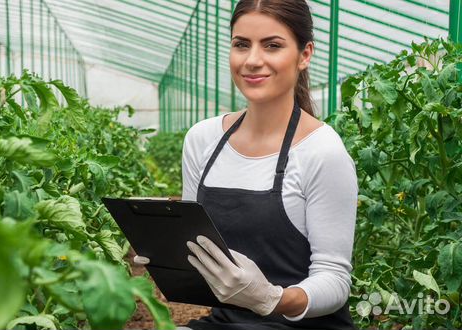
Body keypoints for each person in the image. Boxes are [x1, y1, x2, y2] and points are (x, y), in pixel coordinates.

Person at [135, 0, 358, 329]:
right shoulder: (203, 139)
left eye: (272, 45)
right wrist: (168, 253)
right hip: (226, 322)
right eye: (241, 45)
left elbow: (335, 281)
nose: (253, 60)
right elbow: (201, 251)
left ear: (304, 55)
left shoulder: (323, 152)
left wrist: (270, 297)